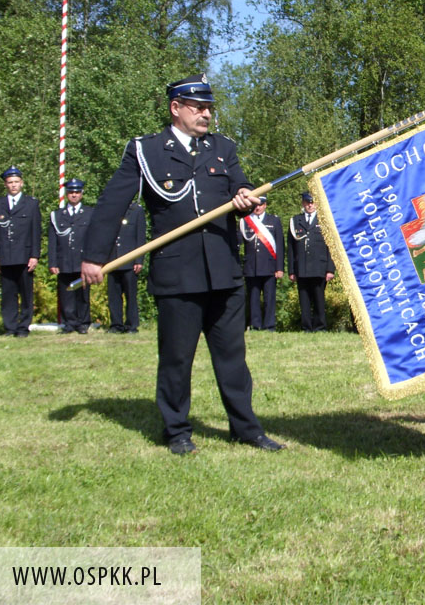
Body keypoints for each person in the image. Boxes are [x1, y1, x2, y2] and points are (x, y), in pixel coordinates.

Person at [81, 73, 284, 455]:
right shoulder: (146, 151)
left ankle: (247, 429)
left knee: (233, 359)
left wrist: (245, 196)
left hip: (224, 272)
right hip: (177, 273)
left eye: (209, 107)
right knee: (176, 358)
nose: (206, 114)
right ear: (176, 108)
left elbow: (241, 187)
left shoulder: (223, 148)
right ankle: (176, 431)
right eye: (198, 107)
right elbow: (112, 204)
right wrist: (94, 256)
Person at [0, 166, 41, 337]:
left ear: (22, 183)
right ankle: (10, 327)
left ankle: (23, 327)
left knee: (26, 294)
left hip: (25, 256)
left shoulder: (31, 204)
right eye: (10, 182)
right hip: (5, 255)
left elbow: (36, 232)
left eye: (16, 182)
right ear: (5, 184)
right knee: (8, 294)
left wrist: (35, 255)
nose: (13, 185)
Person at [49, 178, 93, 334]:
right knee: (66, 294)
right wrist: (52, 262)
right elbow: (53, 241)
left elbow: (93, 239)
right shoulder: (57, 215)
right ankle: (69, 323)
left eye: (77, 192)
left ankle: (83, 323)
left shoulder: (89, 213)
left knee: (83, 295)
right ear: (67, 194)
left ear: (81, 194)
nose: (74, 195)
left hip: (82, 261)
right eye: (71, 192)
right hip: (64, 261)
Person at [288, 192, 335, 332]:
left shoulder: (324, 220)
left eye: (312, 202)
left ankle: (320, 326)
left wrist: (330, 269)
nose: (310, 205)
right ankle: (306, 327)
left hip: (319, 266)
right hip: (301, 266)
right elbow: (290, 248)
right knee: (304, 299)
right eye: (307, 202)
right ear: (303, 203)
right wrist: (291, 270)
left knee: (319, 299)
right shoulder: (296, 221)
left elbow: (331, 247)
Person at [240, 196, 284, 331]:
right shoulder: (245, 221)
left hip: (269, 266)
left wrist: (279, 268)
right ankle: (256, 325)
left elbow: (280, 246)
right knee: (253, 298)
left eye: (260, 205)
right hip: (251, 267)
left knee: (269, 298)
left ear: (265, 205)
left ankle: (269, 325)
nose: (257, 208)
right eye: (255, 205)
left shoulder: (274, 220)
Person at [106, 201, 146, 333]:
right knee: (114, 296)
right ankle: (116, 324)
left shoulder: (136, 211)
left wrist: (139, 259)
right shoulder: (111, 208)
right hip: (112, 260)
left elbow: (140, 236)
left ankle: (131, 325)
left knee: (131, 295)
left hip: (130, 261)